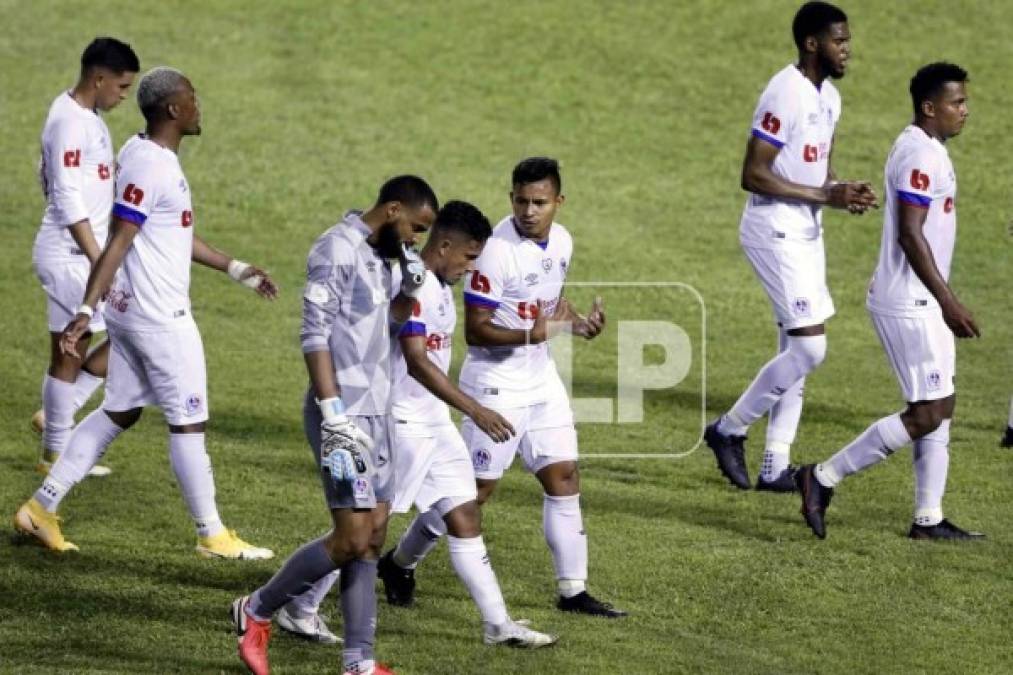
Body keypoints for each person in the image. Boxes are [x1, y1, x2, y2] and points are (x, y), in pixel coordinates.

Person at [13, 67, 277, 562]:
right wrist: (85, 308)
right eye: (193, 98)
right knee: (189, 422)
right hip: (160, 319)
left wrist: (234, 267)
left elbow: (170, 231)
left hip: (131, 313)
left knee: (119, 409)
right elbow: (119, 241)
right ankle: (211, 533)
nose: (199, 106)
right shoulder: (153, 166)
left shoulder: (138, 152)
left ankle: (40, 509)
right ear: (174, 110)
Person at [392, 157, 623, 618]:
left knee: (564, 476)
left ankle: (572, 590)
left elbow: (548, 304)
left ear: (559, 201)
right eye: (521, 201)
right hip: (495, 385)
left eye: (539, 202)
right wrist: (534, 335)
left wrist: (575, 325)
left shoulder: (562, 241)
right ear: (510, 198)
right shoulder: (494, 251)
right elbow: (476, 332)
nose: (529, 211)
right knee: (471, 493)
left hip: (541, 380)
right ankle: (399, 562)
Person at [232, 175, 439, 675]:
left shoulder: (380, 256)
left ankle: (358, 663)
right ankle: (256, 608)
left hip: (377, 412)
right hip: (341, 414)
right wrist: (332, 415)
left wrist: (408, 293)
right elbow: (315, 334)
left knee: (371, 539)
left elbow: (381, 328)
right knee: (348, 539)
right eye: (416, 227)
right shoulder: (336, 248)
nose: (417, 239)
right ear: (392, 209)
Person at [796, 63, 984, 540]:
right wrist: (949, 302)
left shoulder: (927, 147)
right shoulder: (921, 157)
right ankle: (821, 477)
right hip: (911, 303)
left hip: (921, 299)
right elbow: (909, 234)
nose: (964, 111)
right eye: (956, 103)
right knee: (926, 412)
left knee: (941, 404)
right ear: (929, 107)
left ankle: (929, 518)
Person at [705, 1, 877, 492]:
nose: (847, 50)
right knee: (809, 347)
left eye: (847, 40)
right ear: (811, 43)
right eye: (839, 41)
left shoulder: (829, 98)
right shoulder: (785, 93)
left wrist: (841, 191)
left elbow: (819, 168)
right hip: (772, 228)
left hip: (806, 228)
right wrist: (826, 194)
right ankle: (728, 430)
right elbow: (753, 173)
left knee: (794, 349)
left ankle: (774, 466)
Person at [377, 200, 557, 648]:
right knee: (365, 531)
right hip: (403, 424)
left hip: (433, 421)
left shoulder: (439, 286)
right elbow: (417, 364)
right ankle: (296, 604)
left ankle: (497, 624)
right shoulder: (415, 285)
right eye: (469, 257)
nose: (472, 267)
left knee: (464, 513)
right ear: (445, 245)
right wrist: (476, 409)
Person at [32, 37, 140, 478]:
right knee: (123, 337)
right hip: (73, 255)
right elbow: (65, 199)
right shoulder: (68, 124)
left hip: (82, 254)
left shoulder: (86, 116)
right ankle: (57, 447)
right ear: (99, 79)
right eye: (121, 86)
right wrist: (102, 262)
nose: (124, 95)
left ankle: (55, 439)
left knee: (78, 349)